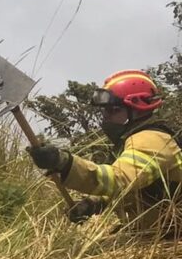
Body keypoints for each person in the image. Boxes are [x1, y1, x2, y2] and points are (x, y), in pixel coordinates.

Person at [29, 70, 182, 234]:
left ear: (138, 108)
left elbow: (119, 180)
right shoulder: (131, 142)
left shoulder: (151, 140)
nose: (106, 117)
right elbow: (132, 189)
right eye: (105, 111)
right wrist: (93, 204)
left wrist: (64, 162)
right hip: (156, 233)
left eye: (113, 110)